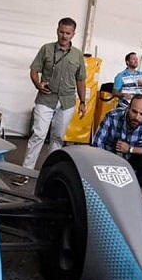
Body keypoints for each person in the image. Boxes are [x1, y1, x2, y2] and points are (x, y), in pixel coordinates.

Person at [13, 17, 87, 186]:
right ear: (57, 30)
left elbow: (81, 79)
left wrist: (83, 102)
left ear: (73, 34)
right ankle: (25, 172)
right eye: (61, 32)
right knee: (38, 134)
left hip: (67, 101)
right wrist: (37, 84)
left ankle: (52, 174)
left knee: (57, 138)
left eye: (68, 33)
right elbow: (34, 70)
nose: (64, 36)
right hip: (46, 98)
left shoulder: (77, 55)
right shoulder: (46, 49)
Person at [92, 94, 142, 186]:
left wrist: (130, 149)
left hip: (133, 157)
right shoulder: (112, 116)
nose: (137, 117)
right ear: (128, 108)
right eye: (134, 111)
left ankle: (133, 189)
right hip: (109, 156)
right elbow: (97, 143)